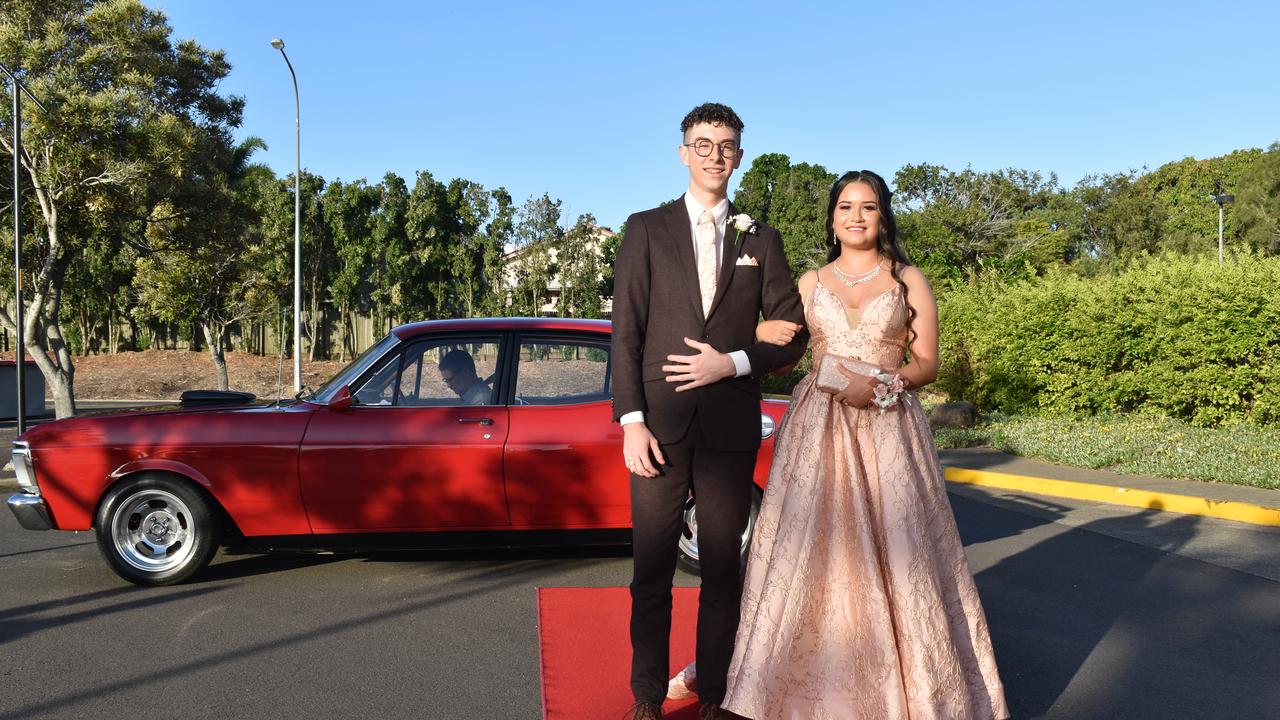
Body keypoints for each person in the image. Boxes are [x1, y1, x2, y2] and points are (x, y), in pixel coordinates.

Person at [721, 171, 1009, 719]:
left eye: (868, 207)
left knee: (899, 548)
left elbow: (927, 362)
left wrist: (882, 384)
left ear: (883, 217)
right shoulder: (808, 283)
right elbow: (786, 360)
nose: (856, 216)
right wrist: (758, 337)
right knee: (813, 550)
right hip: (818, 429)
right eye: (846, 207)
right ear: (832, 218)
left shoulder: (908, 279)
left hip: (887, 426)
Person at [611, 102, 808, 720]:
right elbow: (626, 334)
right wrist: (631, 421)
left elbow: (793, 332)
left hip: (729, 427)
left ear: (739, 156)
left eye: (726, 145)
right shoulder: (645, 229)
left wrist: (734, 362)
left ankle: (718, 697)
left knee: (724, 570)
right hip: (659, 431)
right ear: (683, 153)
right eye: (703, 144)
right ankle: (647, 697)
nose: (715, 155)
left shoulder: (762, 240)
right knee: (652, 573)